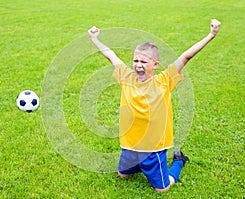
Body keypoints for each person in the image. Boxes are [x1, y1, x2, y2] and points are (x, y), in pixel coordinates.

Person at [88, 19, 221, 192]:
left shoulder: (165, 81)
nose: (138, 65)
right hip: (130, 145)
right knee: (123, 175)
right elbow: (110, 55)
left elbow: (186, 56)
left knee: (162, 189)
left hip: (153, 149)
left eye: (144, 62)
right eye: (136, 61)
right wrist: (94, 39)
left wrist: (211, 35)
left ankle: (179, 161)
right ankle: (139, 166)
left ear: (155, 65)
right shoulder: (126, 77)